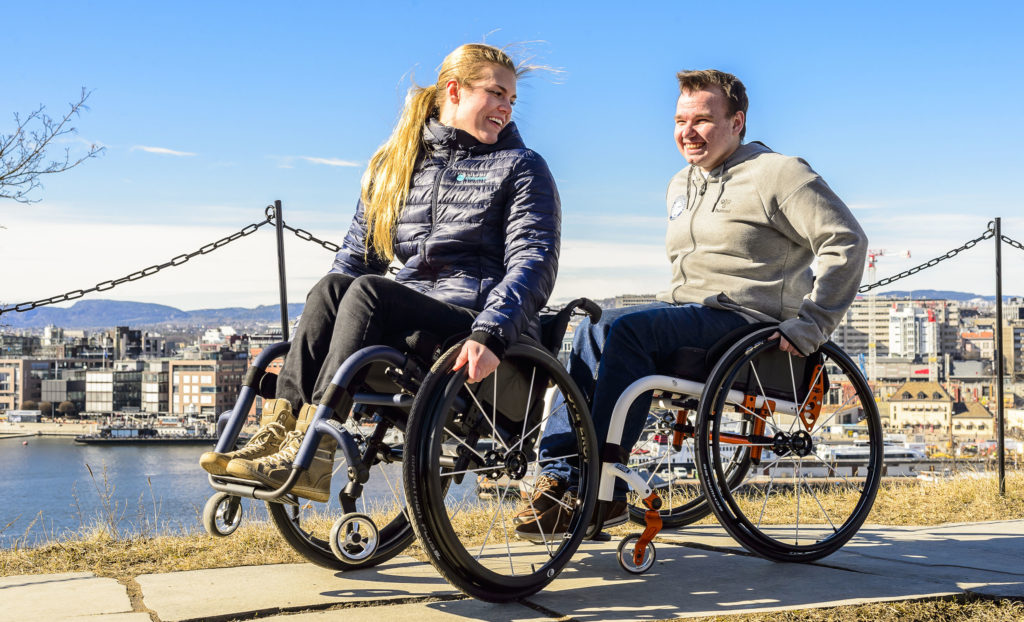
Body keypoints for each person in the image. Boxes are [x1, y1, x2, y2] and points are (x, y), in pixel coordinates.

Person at [514, 69, 866, 540]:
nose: (687, 132)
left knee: (627, 331)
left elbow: (846, 241)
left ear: (737, 122)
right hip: (686, 313)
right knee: (594, 325)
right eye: (681, 120)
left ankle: (602, 486)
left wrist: (813, 324)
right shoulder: (680, 183)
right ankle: (560, 475)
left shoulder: (780, 173)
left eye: (702, 119)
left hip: (747, 321)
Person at [199, 43, 560, 502]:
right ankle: (279, 432)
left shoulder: (521, 167)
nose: (506, 108)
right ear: (454, 91)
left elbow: (534, 261)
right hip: (411, 319)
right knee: (333, 287)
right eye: (495, 93)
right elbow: (353, 261)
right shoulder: (399, 166)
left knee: (370, 292)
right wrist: (314, 339)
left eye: (511, 99)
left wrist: (491, 332)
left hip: (472, 323)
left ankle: (315, 452)